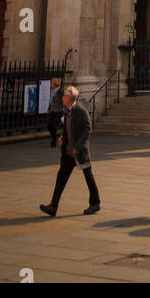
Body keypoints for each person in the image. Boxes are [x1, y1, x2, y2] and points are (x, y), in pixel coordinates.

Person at [39, 85, 101, 216]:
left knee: (88, 176)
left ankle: (95, 203)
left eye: (65, 95)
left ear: (70, 98)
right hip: (68, 152)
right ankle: (53, 206)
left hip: (78, 151)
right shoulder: (67, 111)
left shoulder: (80, 111)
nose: (62, 97)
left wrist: (78, 146)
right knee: (61, 177)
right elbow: (69, 129)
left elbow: (87, 129)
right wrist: (63, 138)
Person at [45, 77, 63, 148]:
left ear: (55, 84)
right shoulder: (52, 91)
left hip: (58, 111)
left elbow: (64, 101)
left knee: (54, 126)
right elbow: (51, 101)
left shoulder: (60, 92)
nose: (50, 84)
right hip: (52, 111)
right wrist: (48, 109)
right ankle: (55, 137)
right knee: (49, 125)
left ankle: (54, 140)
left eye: (51, 82)